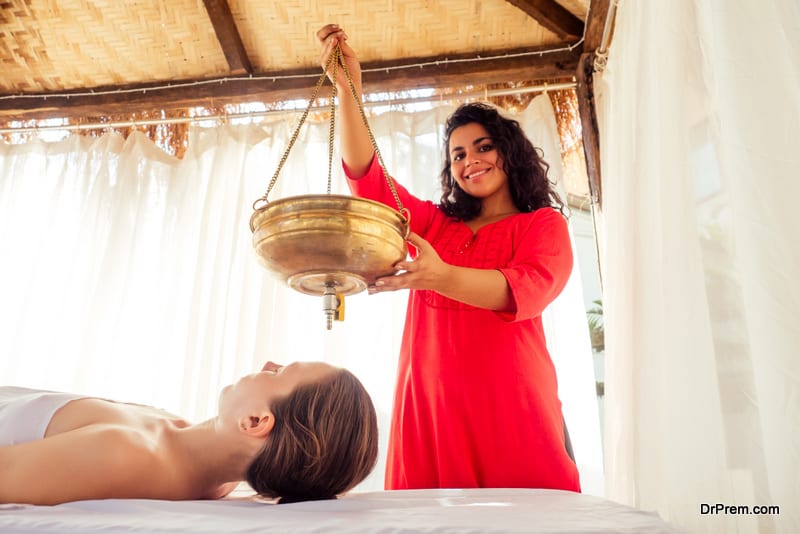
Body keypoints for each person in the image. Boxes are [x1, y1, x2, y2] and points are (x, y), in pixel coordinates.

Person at [316, 24, 581, 493]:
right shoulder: (437, 225)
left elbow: (526, 290)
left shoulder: (543, 226)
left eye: (483, 147)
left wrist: (439, 276)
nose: (469, 160)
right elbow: (369, 180)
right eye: (458, 154)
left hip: (513, 412)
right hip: (430, 416)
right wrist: (348, 89)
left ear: (509, 153)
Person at [0, 360, 378, 505]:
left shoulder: (126, 453)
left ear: (255, 422)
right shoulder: (217, 477)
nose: (266, 363)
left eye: (278, 373)